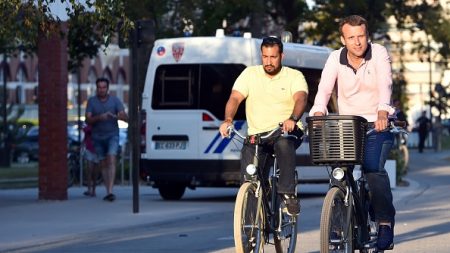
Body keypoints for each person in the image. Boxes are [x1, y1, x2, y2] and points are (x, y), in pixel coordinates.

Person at [309, 15, 396, 250]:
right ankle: (337, 224)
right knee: (339, 172)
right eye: (351, 38)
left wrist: (382, 113)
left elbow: (385, 83)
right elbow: (324, 89)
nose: (357, 42)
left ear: (367, 35)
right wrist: (318, 112)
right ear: (343, 39)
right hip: (347, 124)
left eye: (361, 36)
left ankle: (385, 223)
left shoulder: (378, 53)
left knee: (372, 169)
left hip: (377, 123)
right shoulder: (334, 58)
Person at [219, 36, 308, 216]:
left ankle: (287, 194)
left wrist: (292, 118)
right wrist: (228, 120)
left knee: (283, 143)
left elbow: (301, 98)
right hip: (258, 134)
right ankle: (251, 230)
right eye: (265, 57)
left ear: (281, 56)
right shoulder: (250, 74)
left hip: (286, 130)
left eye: (273, 57)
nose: (269, 61)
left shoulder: (294, 76)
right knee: (251, 178)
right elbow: (235, 98)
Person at [86, 77, 128, 202]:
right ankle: (107, 190)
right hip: (97, 137)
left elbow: (125, 117)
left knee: (111, 157)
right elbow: (88, 120)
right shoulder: (92, 102)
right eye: (99, 87)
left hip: (112, 135)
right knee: (103, 163)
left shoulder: (115, 101)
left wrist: (120, 116)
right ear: (96, 88)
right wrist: (100, 117)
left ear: (108, 88)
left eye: (104, 87)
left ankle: (110, 191)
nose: (102, 90)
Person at [82, 123, 99, 197]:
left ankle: (94, 190)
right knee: (89, 169)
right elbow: (86, 135)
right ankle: (89, 189)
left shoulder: (99, 125)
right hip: (89, 149)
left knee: (95, 171)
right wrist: (82, 144)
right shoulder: (87, 125)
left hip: (97, 149)